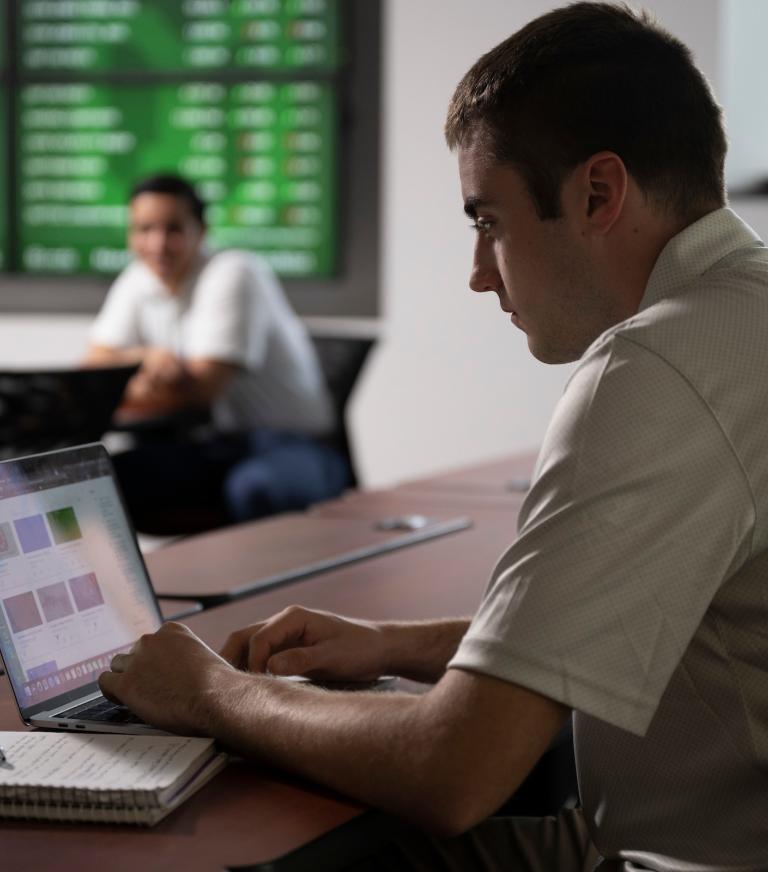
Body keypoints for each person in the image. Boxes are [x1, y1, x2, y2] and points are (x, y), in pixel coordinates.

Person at [99, 3, 768, 868]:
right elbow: (648, 615)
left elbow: (453, 767)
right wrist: (391, 646)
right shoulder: (739, 316)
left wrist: (212, 693)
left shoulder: (655, 369)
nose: (478, 274)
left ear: (598, 194)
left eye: (488, 221)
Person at [86, 174, 349, 532]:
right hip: (209, 450)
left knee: (254, 488)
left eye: (173, 228)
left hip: (291, 447)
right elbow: (90, 373)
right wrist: (148, 360)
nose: (157, 243)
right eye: (144, 229)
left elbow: (198, 392)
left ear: (202, 230)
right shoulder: (137, 279)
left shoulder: (234, 271)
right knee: (93, 484)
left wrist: (128, 378)